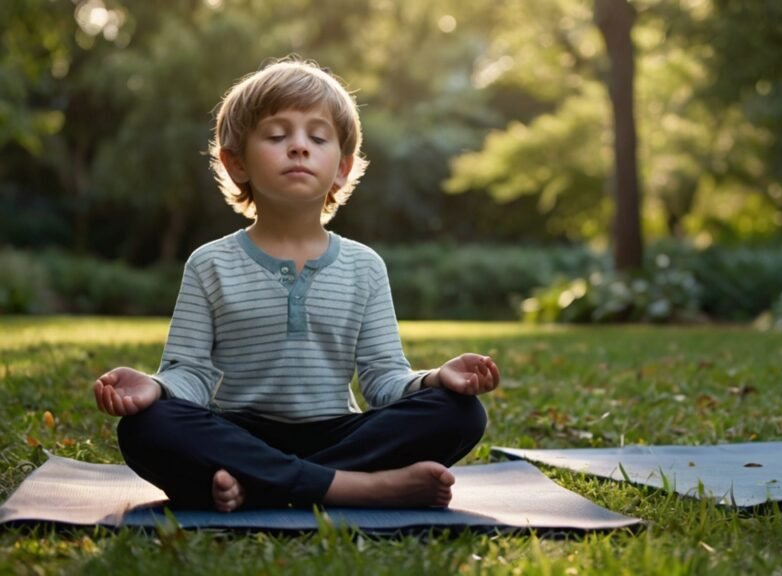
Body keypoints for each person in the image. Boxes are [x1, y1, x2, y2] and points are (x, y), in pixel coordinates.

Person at [92, 58, 500, 513]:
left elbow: (383, 379)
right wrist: (154, 388)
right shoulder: (209, 264)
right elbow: (190, 374)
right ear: (236, 163)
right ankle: (358, 489)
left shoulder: (365, 267)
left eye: (317, 137)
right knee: (146, 426)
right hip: (239, 433)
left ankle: (263, 485)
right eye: (277, 135)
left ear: (342, 168)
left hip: (336, 434)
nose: (299, 148)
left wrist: (434, 378)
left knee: (459, 412)